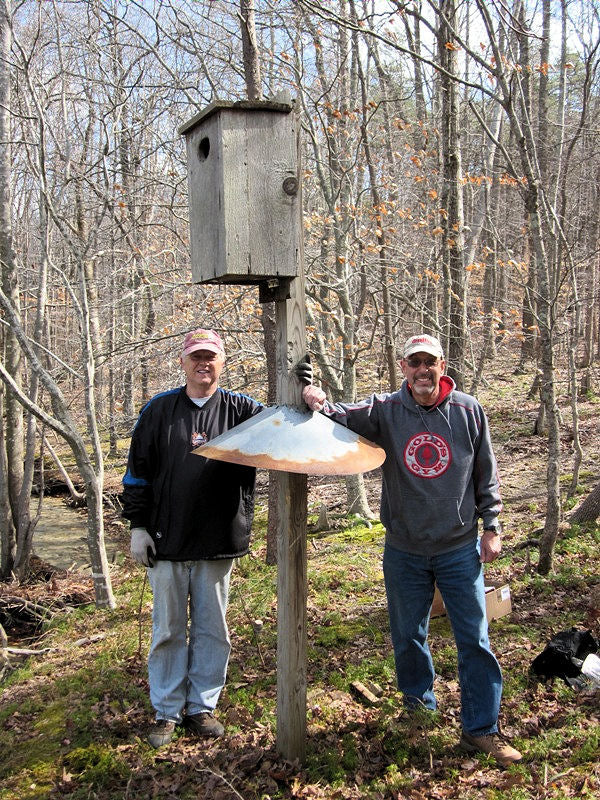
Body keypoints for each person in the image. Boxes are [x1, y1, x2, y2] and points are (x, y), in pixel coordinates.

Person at [299, 334, 522, 767]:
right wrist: (315, 396)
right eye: (414, 362)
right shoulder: (386, 410)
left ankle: (482, 729)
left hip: (459, 548)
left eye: (430, 362)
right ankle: (419, 708)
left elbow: (486, 475)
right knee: (407, 635)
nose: (422, 370)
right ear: (402, 367)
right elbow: (338, 414)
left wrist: (491, 527)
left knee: (474, 639)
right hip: (404, 548)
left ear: (443, 365)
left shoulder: (468, 411)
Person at [122, 328, 262, 748]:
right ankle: (166, 711)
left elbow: (285, 419)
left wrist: (305, 387)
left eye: (211, 357)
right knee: (168, 629)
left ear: (222, 362)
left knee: (212, 628)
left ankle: (201, 707)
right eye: (196, 357)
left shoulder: (243, 409)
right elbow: (136, 472)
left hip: (218, 539)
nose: (204, 363)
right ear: (183, 362)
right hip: (166, 541)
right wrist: (137, 527)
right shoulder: (159, 410)